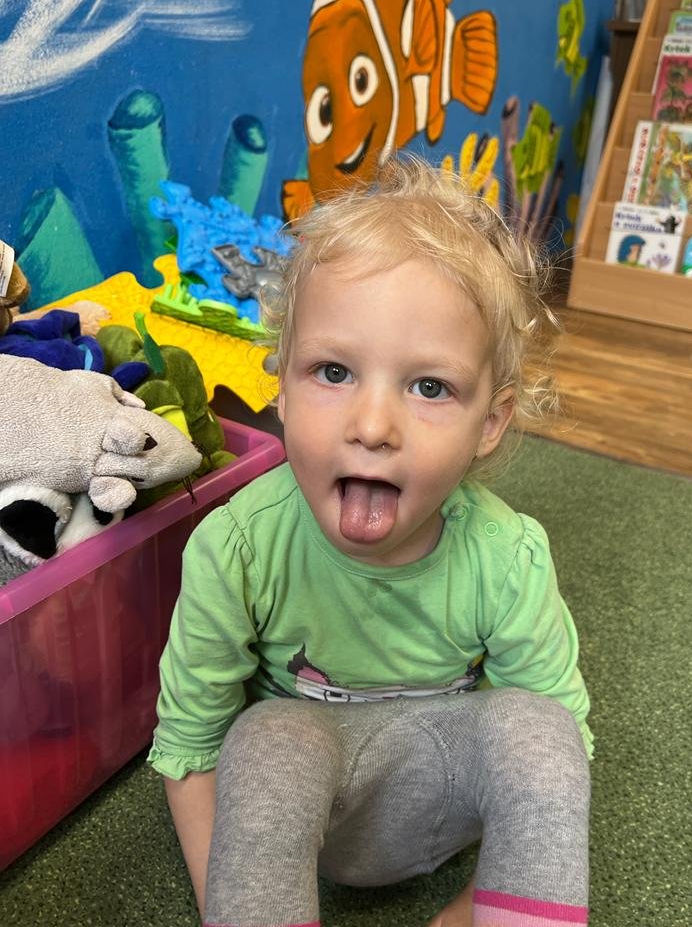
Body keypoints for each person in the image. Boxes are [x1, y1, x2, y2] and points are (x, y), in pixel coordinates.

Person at [149, 156, 593, 927]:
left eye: (430, 387)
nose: (373, 425)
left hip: (446, 802)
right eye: (332, 372)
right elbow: (191, 743)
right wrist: (232, 896)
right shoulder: (238, 547)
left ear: (490, 422)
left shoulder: (507, 555)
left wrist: (471, 909)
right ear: (280, 385)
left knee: (545, 730)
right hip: (303, 816)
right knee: (267, 736)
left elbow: (556, 757)